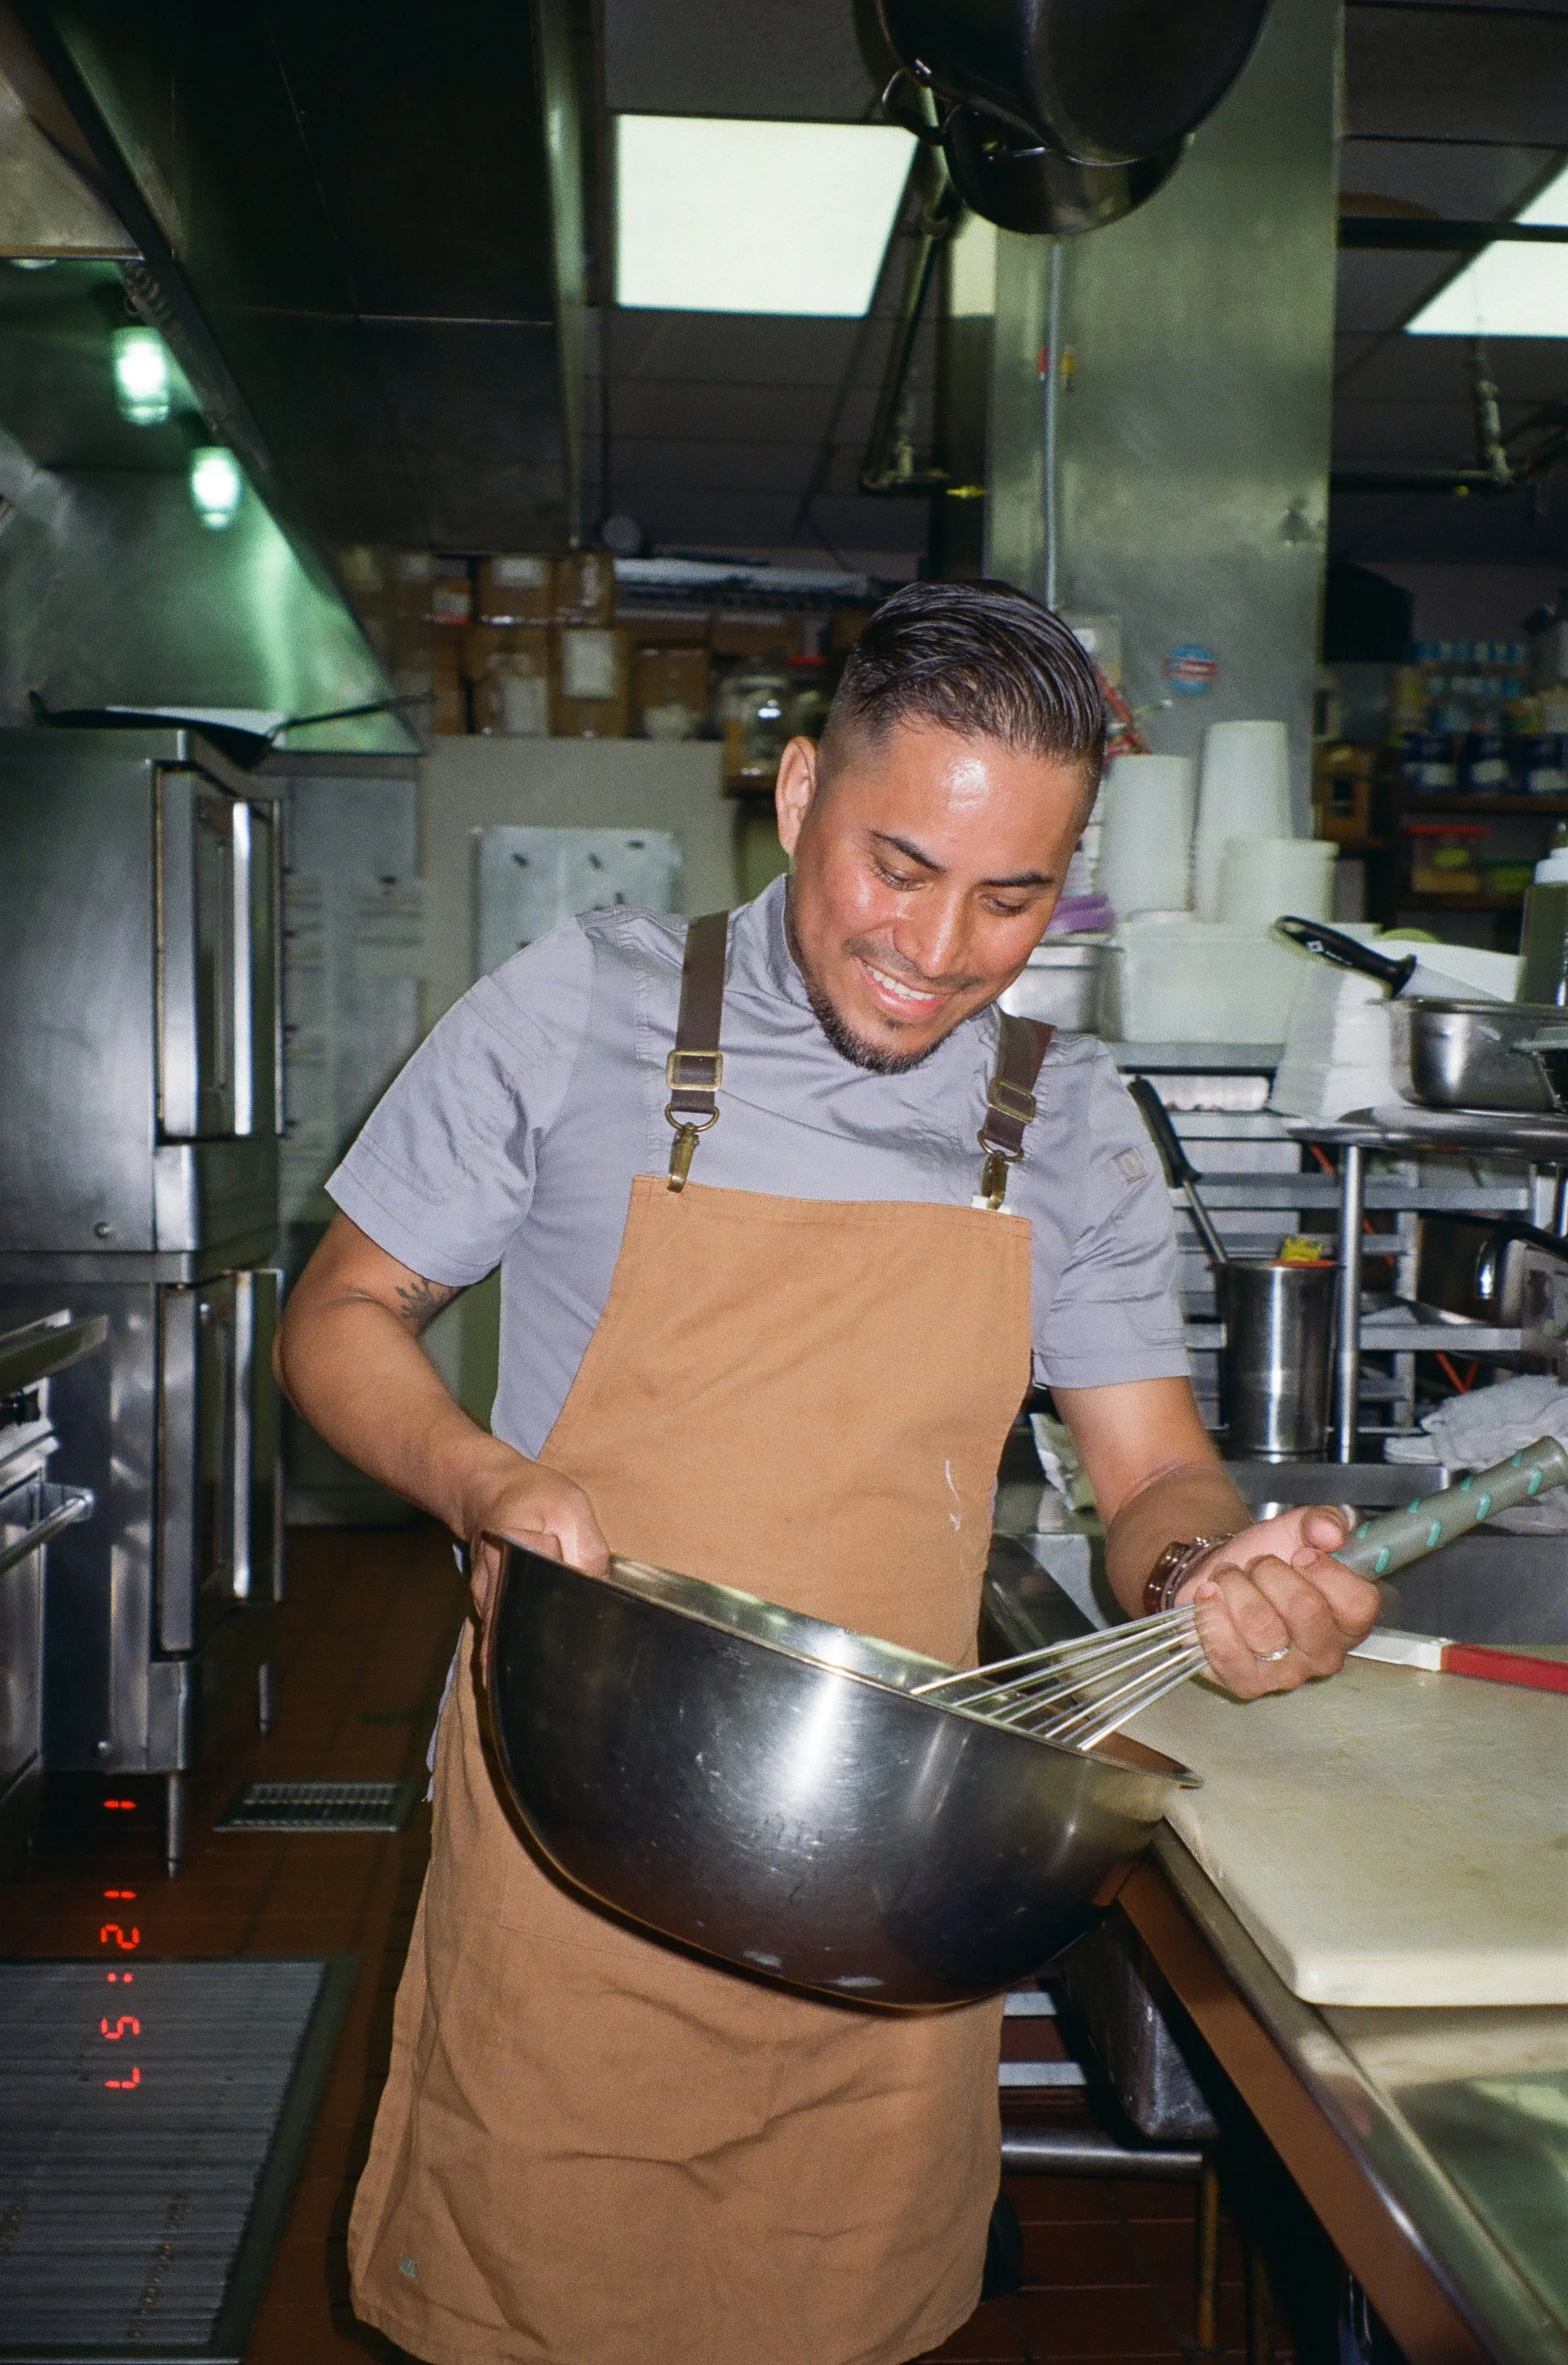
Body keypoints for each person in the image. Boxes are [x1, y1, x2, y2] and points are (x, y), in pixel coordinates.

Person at [276, 580, 1379, 2365]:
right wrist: (484, 1485)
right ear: (796, 796)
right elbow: (339, 1317)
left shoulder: (1073, 1115)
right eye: (894, 867)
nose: (938, 949)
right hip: (578, 1854)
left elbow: (1153, 1480)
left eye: (1012, 896)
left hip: (890, 1890)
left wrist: (1212, 1584)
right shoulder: (582, 1013)